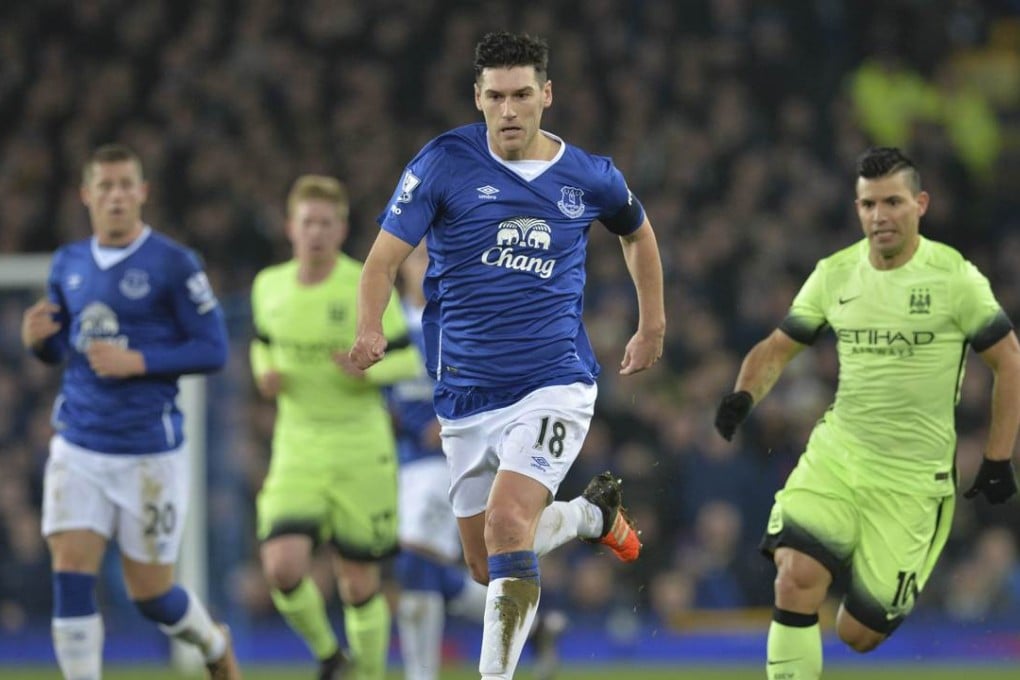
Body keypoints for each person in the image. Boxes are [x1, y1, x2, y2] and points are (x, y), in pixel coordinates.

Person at [350, 32, 665, 679]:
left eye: (522, 94)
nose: (509, 110)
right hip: (465, 394)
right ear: (478, 98)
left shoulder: (587, 176)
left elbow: (636, 232)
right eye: (496, 97)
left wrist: (652, 323)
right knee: (483, 562)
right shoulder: (443, 163)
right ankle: (589, 515)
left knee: (507, 523)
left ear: (547, 95)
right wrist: (369, 326)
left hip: (553, 383)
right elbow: (381, 260)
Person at [714, 146, 1020, 680]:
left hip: (913, 482)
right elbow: (778, 347)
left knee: (859, 634)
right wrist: (743, 396)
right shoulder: (835, 274)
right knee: (795, 575)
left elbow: (1009, 361)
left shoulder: (955, 278)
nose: (879, 215)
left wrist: (997, 458)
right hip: (839, 457)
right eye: (868, 204)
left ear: (920, 205)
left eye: (892, 202)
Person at [19, 143, 240, 680]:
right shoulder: (68, 262)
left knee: (151, 595)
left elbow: (214, 349)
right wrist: (38, 343)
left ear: (142, 192)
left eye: (125, 185)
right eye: (105, 186)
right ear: (86, 195)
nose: (116, 196)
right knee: (71, 572)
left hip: (147, 454)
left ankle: (213, 642)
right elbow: (63, 346)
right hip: (78, 443)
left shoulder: (173, 263)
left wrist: (138, 361)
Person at [250, 175, 422, 680]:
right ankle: (330, 657)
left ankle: (367, 675)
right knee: (281, 567)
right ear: (291, 227)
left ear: (342, 229)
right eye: (308, 223)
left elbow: (408, 360)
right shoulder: (268, 286)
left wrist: (369, 369)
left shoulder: (365, 284)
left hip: (360, 447)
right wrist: (264, 372)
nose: (317, 233)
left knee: (359, 583)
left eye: (326, 223)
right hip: (297, 446)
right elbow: (262, 343)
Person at [389, 245, 566, 680]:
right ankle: (533, 626)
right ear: (401, 265)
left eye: (434, 256)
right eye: (418, 257)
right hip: (392, 462)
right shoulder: (385, 322)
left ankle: (420, 676)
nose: (428, 265)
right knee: (444, 567)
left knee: (416, 560)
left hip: (445, 460)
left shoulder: (462, 315)